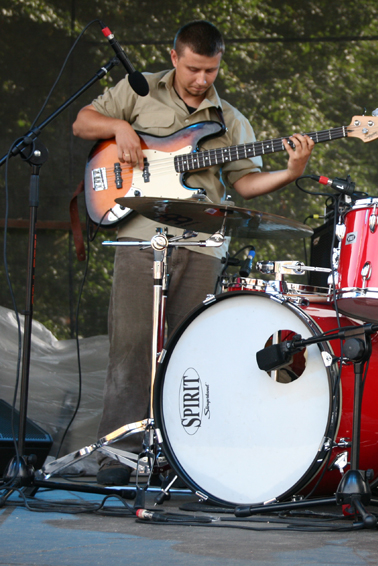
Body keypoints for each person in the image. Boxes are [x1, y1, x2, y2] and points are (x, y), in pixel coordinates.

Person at [73, 20, 315, 485]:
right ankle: (118, 456)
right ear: (174, 58)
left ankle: (184, 456)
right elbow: (83, 122)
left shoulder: (232, 120)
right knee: (131, 349)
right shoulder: (139, 90)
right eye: (194, 69)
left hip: (202, 245)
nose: (202, 79)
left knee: (193, 351)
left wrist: (291, 171)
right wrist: (119, 127)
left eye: (211, 71)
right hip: (141, 237)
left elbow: (246, 184)